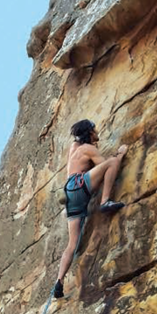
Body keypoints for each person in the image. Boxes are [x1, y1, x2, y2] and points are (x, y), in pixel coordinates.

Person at [53, 119, 127, 299]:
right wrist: (120, 153)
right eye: (94, 129)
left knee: (72, 244)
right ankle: (105, 201)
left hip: (69, 193)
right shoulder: (89, 149)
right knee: (112, 162)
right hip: (79, 186)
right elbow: (106, 165)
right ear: (90, 133)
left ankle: (59, 282)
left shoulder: (74, 148)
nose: (97, 132)